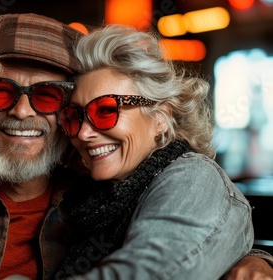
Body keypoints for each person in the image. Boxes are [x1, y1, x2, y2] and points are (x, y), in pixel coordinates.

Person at [0, 13, 273, 280]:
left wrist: (255, 258)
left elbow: (188, 233)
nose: (21, 111)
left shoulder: (98, 191)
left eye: (48, 96)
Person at [53, 24, 273, 279]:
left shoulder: (194, 176)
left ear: (160, 117)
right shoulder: (91, 198)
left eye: (106, 110)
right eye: (75, 116)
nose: (83, 133)